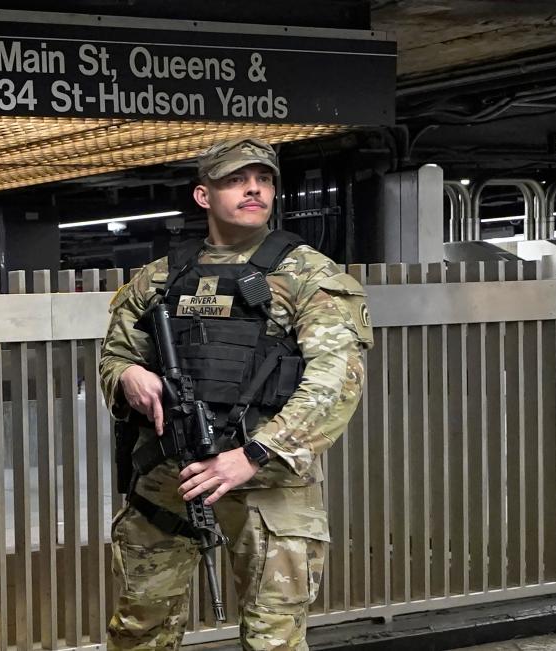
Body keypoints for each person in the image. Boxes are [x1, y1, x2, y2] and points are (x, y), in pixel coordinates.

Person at [101, 137, 373, 650]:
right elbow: (115, 355)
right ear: (204, 196)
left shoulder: (308, 274)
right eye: (235, 180)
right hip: (169, 477)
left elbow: (337, 379)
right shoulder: (161, 277)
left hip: (268, 484)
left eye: (264, 179)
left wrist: (253, 454)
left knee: (274, 639)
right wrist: (128, 378)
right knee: (140, 630)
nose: (254, 189)